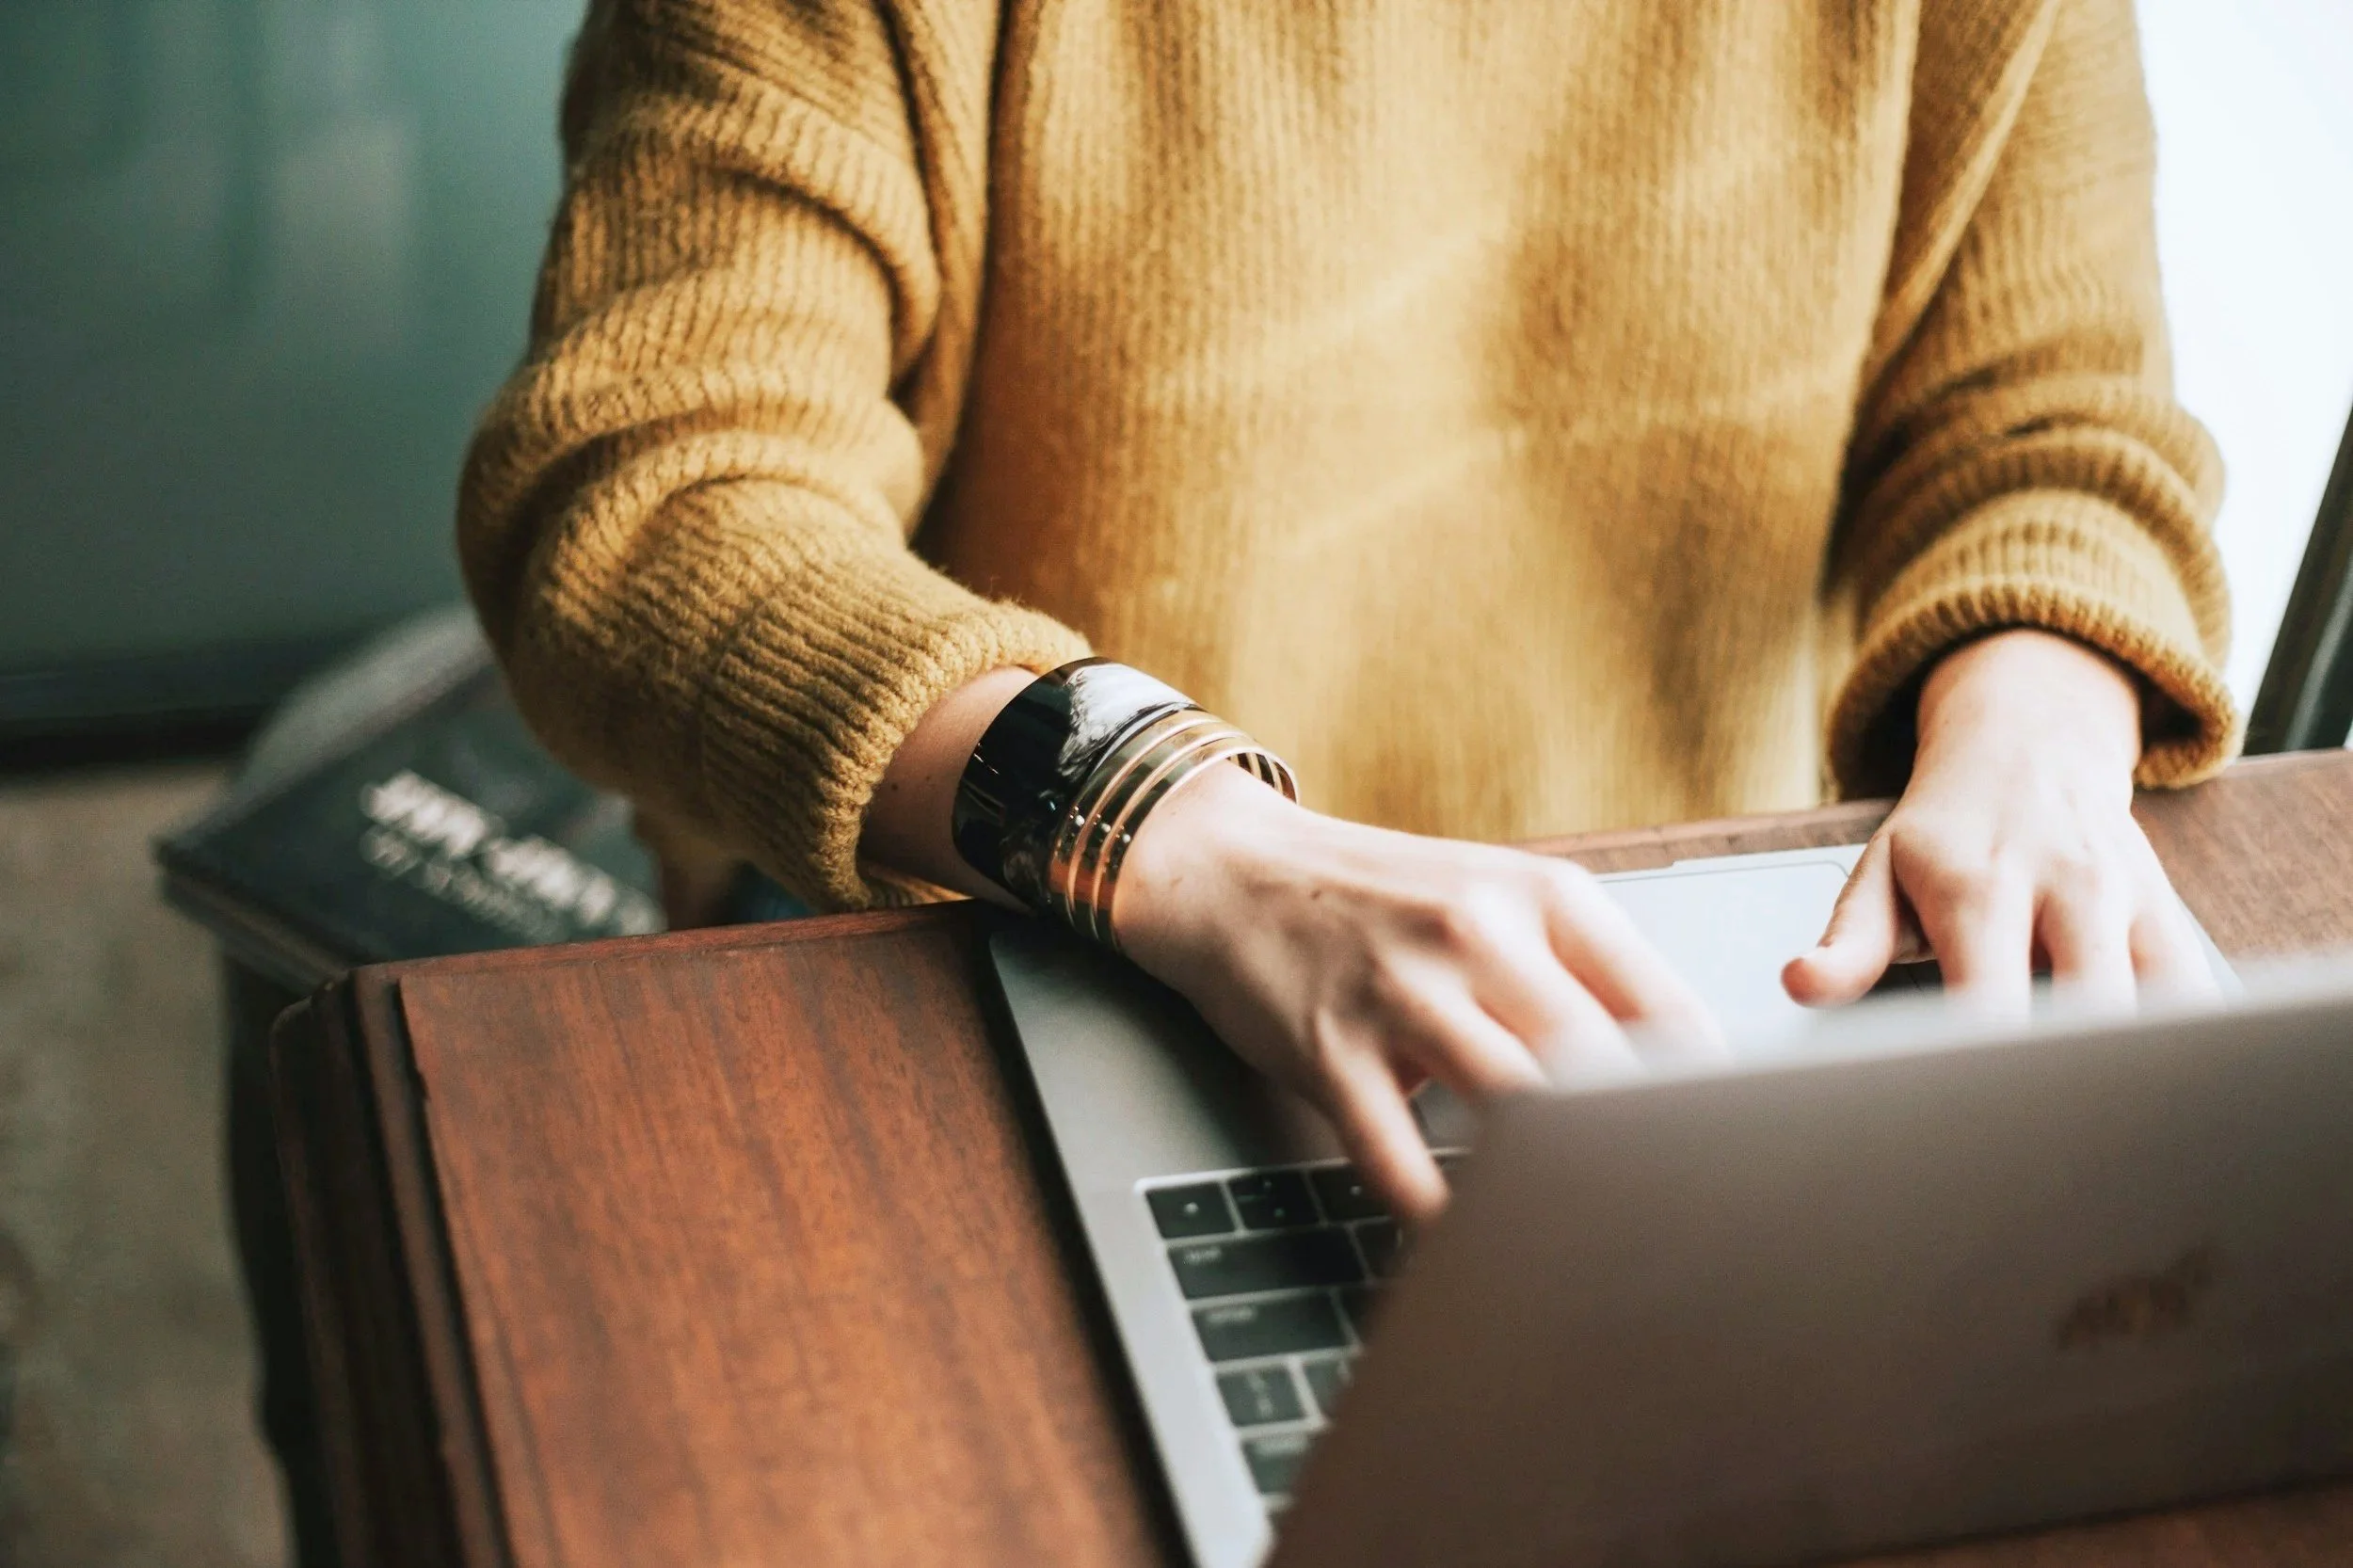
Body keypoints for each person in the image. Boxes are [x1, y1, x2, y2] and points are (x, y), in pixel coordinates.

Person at [459, 0, 2233, 1225]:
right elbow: (649, 491)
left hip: (1683, 995)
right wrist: (1170, 827)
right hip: (1023, 934)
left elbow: (2053, 426)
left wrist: (2038, 720)